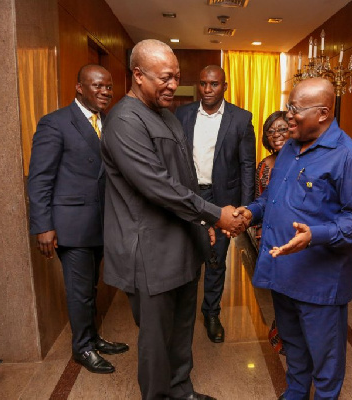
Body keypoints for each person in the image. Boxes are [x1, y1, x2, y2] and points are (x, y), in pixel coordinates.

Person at [101, 39, 245, 400]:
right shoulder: (124, 120)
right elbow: (158, 187)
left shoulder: (166, 115)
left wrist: (203, 225)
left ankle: (182, 391)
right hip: (149, 252)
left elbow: (186, 178)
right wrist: (216, 214)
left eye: (177, 77)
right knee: (156, 340)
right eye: (165, 78)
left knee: (182, 330)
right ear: (137, 75)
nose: (172, 85)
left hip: (181, 246)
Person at [238, 77, 352, 400]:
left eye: (296, 110)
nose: (288, 117)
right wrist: (250, 212)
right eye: (288, 107)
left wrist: (316, 235)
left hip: (319, 280)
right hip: (282, 273)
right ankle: (296, 392)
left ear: (324, 113)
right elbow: (272, 197)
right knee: (293, 345)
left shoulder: (350, 157)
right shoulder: (289, 150)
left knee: (325, 354)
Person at [27, 64, 129, 374]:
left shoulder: (109, 122)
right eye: (97, 86)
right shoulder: (55, 123)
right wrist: (43, 225)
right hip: (71, 225)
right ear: (79, 87)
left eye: (109, 87)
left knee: (91, 288)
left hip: (102, 223)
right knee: (79, 290)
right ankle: (82, 348)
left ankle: (93, 337)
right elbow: (39, 179)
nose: (105, 92)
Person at [175, 65, 256, 343]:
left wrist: (245, 209)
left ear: (225, 86)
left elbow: (247, 166)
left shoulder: (241, 119)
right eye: (203, 84)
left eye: (214, 84)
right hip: (189, 196)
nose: (207, 90)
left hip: (222, 199)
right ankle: (182, 315)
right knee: (186, 256)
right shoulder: (182, 114)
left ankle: (211, 313)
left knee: (216, 259)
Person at [252, 110, 289, 246]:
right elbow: (259, 198)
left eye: (282, 129)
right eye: (271, 131)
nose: (276, 135)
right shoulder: (265, 164)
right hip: (268, 233)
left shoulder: (304, 160)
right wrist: (260, 230)